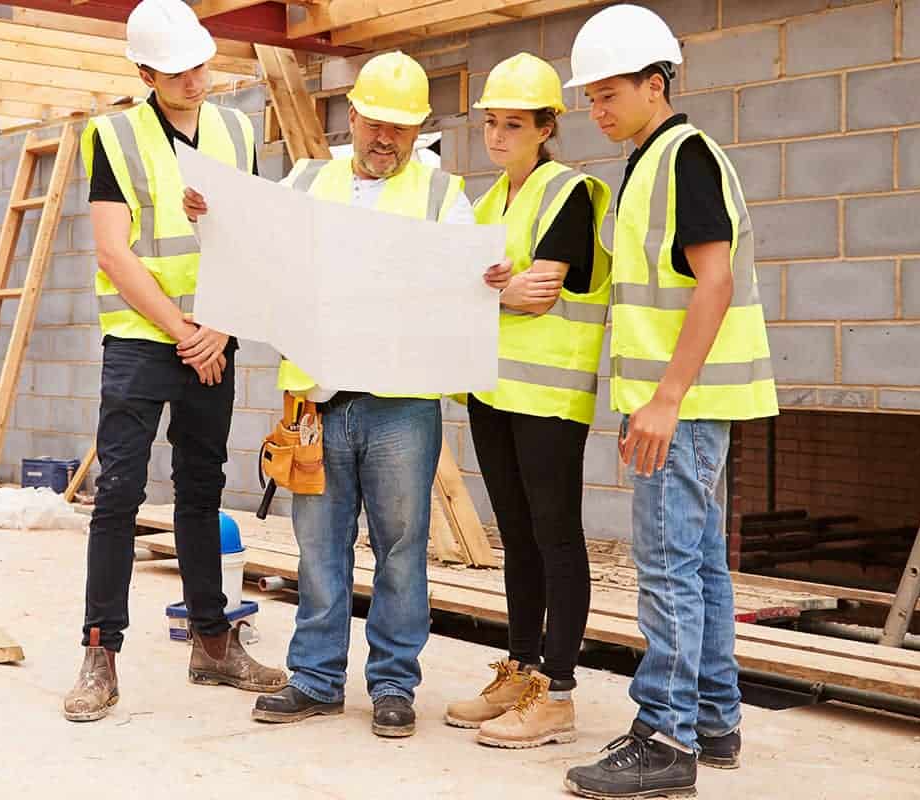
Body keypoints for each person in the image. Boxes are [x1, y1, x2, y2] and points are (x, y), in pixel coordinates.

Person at [188, 51, 478, 739]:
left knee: (401, 547)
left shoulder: (443, 198)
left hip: (401, 405)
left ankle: (392, 687)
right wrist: (210, 219)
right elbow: (255, 254)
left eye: (401, 130)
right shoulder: (305, 181)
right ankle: (316, 679)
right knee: (319, 548)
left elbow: (468, 283)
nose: (386, 140)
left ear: (418, 132)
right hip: (315, 402)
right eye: (376, 124)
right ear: (352, 117)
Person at [553, 5, 779, 797]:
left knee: (667, 568)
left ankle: (664, 737)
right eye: (590, 97)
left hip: (678, 406)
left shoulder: (684, 156)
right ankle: (713, 720)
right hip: (682, 402)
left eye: (609, 92)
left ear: (657, 84)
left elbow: (712, 280)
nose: (597, 109)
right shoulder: (650, 160)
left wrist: (665, 398)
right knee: (700, 565)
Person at [63, 0, 286, 724]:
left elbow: (249, 237)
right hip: (142, 338)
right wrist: (183, 329)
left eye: (200, 61)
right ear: (144, 71)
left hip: (212, 337)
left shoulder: (235, 129)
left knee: (201, 489)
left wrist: (216, 329)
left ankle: (213, 645)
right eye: (177, 68)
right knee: (121, 494)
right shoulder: (113, 135)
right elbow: (111, 250)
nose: (195, 77)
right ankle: (102, 653)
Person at [443, 52, 612, 750]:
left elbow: (539, 293)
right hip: (493, 390)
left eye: (515, 123)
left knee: (556, 535)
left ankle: (560, 693)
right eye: (491, 123)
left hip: (548, 397)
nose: (499, 135)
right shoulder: (488, 203)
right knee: (516, 537)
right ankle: (521, 669)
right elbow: (462, 290)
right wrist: (488, 289)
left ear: (547, 128)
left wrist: (485, 289)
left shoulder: (569, 193)